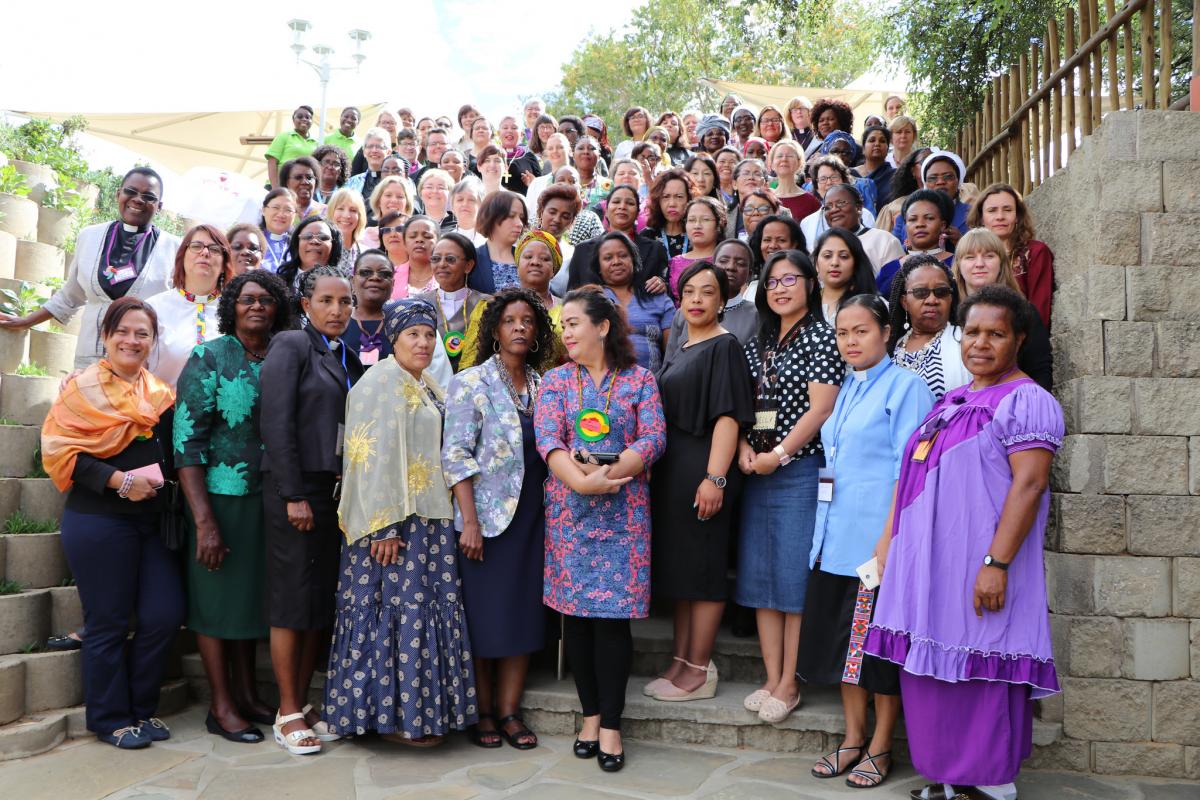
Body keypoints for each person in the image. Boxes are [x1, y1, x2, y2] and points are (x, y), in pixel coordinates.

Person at [866, 285, 1064, 800]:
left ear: (1018, 338)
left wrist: (996, 562)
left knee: (981, 668)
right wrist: (890, 542)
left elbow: (1030, 484)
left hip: (981, 563)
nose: (981, 343)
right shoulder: (953, 399)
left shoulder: (1027, 400)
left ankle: (991, 785)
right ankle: (953, 781)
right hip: (931, 568)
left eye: (996, 333)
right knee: (934, 673)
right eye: (972, 331)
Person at [325, 297, 476, 746]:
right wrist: (383, 526)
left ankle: (417, 716)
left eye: (430, 334)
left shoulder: (425, 382)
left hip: (426, 520)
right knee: (388, 616)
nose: (424, 342)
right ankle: (384, 719)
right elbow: (369, 456)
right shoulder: (380, 382)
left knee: (416, 617)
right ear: (393, 338)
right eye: (413, 334)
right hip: (392, 525)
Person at [798, 294, 933, 789]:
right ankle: (852, 739)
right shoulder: (848, 388)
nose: (850, 341)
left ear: (885, 332)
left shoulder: (906, 388)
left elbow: (910, 470)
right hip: (833, 539)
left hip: (875, 544)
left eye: (861, 331)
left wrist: (888, 539)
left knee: (874, 653)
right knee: (842, 650)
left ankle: (880, 746)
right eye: (842, 333)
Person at [534, 285, 666, 771]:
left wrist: (611, 475)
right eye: (562, 325)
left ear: (603, 326)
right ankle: (589, 716)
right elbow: (548, 438)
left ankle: (611, 723)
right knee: (579, 621)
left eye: (573, 323)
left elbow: (653, 436)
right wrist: (581, 483)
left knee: (613, 623)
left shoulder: (639, 380)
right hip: (571, 514)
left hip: (624, 512)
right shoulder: (555, 382)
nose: (565, 332)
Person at [41, 296, 180, 749]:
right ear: (105, 336)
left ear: (153, 342)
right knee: (108, 621)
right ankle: (110, 718)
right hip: (99, 520)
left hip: (152, 523)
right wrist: (117, 481)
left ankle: (141, 709)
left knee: (164, 615)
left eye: (142, 333)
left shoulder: (158, 394)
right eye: (123, 331)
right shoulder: (80, 390)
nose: (132, 340)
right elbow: (61, 453)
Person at [175, 270, 292, 744]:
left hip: (266, 500)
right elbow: (186, 443)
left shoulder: (284, 354)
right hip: (219, 500)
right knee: (216, 603)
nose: (257, 307)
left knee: (247, 603)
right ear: (232, 305)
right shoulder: (208, 356)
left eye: (266, 300)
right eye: (247, 300)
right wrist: (204, 522)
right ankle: (220, 704)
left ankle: (245, 693)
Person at [444, 287, 556, 749]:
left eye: (528, 321)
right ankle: (482, 712)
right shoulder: (470, 382)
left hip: (536, 517)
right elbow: (454, 455)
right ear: (494, 329)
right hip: (486, 522)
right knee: (485, 619)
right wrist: (468, 521)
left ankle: (511, 712)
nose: (519, 328)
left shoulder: (547, 384)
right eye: (510, 321)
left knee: (522, 618)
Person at [259, 266, 363, 755]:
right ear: (306, 304)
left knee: (317, 601)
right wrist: (293, 494)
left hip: (331, 494)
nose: (338, 310)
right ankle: (287, 711)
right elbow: (276, 423)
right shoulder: (291, 345)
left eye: (345, 302)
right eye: (327, 300)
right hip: (294, 493)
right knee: (291, 601)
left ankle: (300, 701)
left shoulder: (343, 355)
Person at [736, 249, 842, 725]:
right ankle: (770, 674)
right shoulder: (756, 340)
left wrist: (776, 456)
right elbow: (737, 401)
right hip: (755, 470)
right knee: (761, 578)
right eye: (772, 281)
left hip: (799, 469)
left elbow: (820, 409)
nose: (780, 288)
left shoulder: (824, 337)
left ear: (811, 284)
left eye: (790, 280)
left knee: (793, 579)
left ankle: (790, 682)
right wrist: (742, 447)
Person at [646, 262, 754, 702]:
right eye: (689, 291)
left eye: (706, 292)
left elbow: (729, 417)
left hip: (703, 470)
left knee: (706, 572)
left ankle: (699, 669)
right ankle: (679, 660)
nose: (696, 299)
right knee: (683, 573)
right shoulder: (684, 346)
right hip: (675, 472)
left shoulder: (724, 347)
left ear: (721, 300)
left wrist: (715, 478)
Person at [1, 168, 181, 369]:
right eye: (131, 191)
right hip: (90, 360)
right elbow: (71, 295)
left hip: (141, 364)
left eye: (148, 196)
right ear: (118, 194)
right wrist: (26, 321)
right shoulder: (89, 237)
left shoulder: (175, 249)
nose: (138, 199)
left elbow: (180, 308)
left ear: (159, 206)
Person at [954, 228, 1053, 391]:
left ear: (1002, 263)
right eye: (970, 257)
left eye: (989, 256)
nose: (979, 264)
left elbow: (1039, 371)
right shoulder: (947, 310)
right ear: (958, 264)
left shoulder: (1023, 311)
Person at [145, 225, 236, 386]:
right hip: (164, 406)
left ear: (224, 264)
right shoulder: (154, 308)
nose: (205, 252)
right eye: (196, 246)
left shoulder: (236, 309)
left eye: (214, 249)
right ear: (182, 256)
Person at [586, 231, 675, 371]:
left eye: (623, 256)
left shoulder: (657, 297)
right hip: (603, 388)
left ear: (634, 260)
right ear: (598, 267)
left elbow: (672, 354)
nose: (616, 262)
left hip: (651, 386)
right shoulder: (589, 299)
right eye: (608, 258)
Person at [969, 183, 1054, 327]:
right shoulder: (970, 256)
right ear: (982, 218)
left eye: (1007, 210)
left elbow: (1040, 310)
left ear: (1017, 216)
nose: (1000, 217)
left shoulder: (1035, 252)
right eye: (992, 211)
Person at [886, 254, 971, 398]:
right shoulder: (890, 347)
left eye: (941, 292)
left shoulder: (966, 340)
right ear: (904, 302)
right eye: (921, 292)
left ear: (951, 298)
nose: (932, 300)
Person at [666, 239, 759, 356]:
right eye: (724, 261)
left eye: (740, 263)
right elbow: (669, 362)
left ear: (749, 274)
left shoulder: (756, 315)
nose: (730, 267)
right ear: (713, 266)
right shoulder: (688, 311)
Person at [417, 231, 489, 371]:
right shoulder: (419, 304)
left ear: (468, 266)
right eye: (436, 259)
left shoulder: (486, 304)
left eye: (450, 259)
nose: (442, 264)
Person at [876, 189, 956, 297]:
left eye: (929, 218)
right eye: (913, 219)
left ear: (942, 225)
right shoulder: (889, 269)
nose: (920, 224)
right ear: (905, 226)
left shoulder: (957, 265)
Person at [814, 183, 904, 273]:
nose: (834, 210)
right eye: (827, 207)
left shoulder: (884, 240)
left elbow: (895, 282)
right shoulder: (822, 244)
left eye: (841, 203)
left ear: (859, 207)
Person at [892, 151, 971, 245]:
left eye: (948, 177)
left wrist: (961, 241)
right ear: (925, 183)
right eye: (933, 178)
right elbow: (895, 250)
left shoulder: (972, 214)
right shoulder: (904, 217)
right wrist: (910, 247)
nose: (940, 182)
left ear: (958, 181)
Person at [468, 189, 528, 294]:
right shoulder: (471, 259)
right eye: (511, 216)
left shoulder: (528, 258)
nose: (519, 223)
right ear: (491, 217)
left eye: (521, 218)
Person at [813, 228, 878, 321]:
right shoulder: (804, 304)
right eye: (827, 256)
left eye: (844, 256)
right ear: (816, 263)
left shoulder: (873, 305)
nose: (835, 263)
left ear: (856, 263)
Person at [668, 196, 725, 301]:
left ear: (719, 223)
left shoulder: (725, 261)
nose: (697, 226)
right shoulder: (674, 262)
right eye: (691, 220)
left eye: (705, 220)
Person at [277, 217, 343, 297]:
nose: (314, 241)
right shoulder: (279, 284)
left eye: (323, 237)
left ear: (334, 245)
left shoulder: (343, 285)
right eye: (307, 236)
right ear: (297, 243)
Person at [874, 146, 932, 234]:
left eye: (933, 162)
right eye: (924, 161)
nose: (930, 166)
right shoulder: (893, 209)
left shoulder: (956, 199)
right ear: (912, 170)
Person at [641, 168, 693, 260]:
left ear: (689, 199)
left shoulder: (696, 235)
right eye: (665, 197)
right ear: (658, 201)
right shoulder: (647, 236)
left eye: (679, 197)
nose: (672, 203)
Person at [344, 127, 393, 223]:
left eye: (379, 147)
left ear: (388, 152)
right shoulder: (352, 182)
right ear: (364, 152)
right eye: (369, 146)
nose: (374, 150)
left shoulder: (397, 182)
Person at [266, 106, 317, 188]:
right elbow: (272, 162)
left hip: (302, 187)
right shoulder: (284, 136)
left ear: (311, 121)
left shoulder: (316, 142)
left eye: (308, 117)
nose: (304, 119)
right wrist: (275, 187)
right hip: (280, 185)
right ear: (293, 120)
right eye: (300, 117)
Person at [361, 175, 416, 251]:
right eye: (388, 195)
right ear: (378, 201)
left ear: (407, 203)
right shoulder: (365, 237)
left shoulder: (414, 235)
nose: (394, 200)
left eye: (400, 197)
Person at [769, 140, 820, 222]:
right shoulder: (766, 199)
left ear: (799, 163)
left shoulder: (811, 202)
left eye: (790, 156)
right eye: (779, 156)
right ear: (772, 164)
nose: (784, 159)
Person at [391, 215, 440, 299]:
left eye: (427, 236)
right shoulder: (390, 275)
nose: (419, 239)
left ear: (438, 242)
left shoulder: (447, 275)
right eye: (413, 236)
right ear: (404, 243)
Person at [526, 132, 572, 214]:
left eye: (560, 147)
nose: (555, 151)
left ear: (569, 150)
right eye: (550, 148)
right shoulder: (536, 184)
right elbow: (530, 215)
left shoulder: (578, 180)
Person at [257, 188, 297, 274]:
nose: (281, 214)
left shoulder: (299, 244)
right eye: (276, 208)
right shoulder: (253, 241)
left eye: (288, 210)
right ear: (263, 210)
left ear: (294, 215)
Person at [326, 188, 367, 272]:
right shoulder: (321, 249)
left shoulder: (366, 253)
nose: (346, 215)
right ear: (331, 212)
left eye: (353, 210)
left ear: (360, 216)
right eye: (340, 208)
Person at [498, 116, 541, 195]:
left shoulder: (530, 157)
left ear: (521, 134)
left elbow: (541, 188)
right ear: (498, 133)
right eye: (505, 128)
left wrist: (534, 183)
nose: (509, 130)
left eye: (514, 128)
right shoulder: (491, 156)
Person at [855, 126, 896, 208]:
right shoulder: (850, 174)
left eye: (882, 141)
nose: (877, 144)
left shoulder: (895, 176)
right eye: (872, 140)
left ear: (888, 149)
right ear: (863, 148)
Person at [280, 157, 325, 221]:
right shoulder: (278, 213)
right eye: (298, 177)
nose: (305, 182)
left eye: (309, 178)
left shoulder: (326, 212)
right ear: (286, 182)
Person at [451, 177, 486, 242]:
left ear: (482, 206)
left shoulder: (491, 240)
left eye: (471, 200)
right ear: (452, 207)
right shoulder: (445, 241)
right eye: (460, 200)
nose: (465, 204)